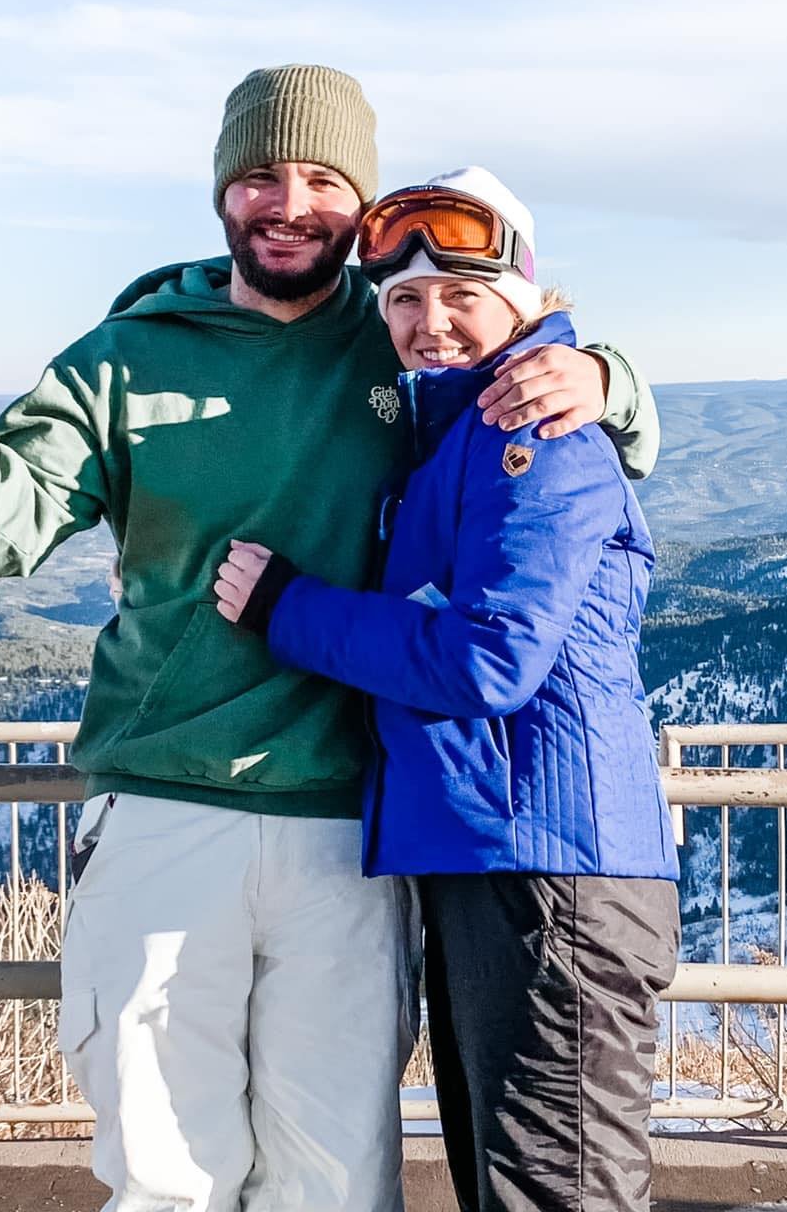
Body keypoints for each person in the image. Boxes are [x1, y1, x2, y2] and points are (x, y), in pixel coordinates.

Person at [0, 69, 660, 1212]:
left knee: (334, 1183)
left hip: (345, 825)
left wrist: (604, 374)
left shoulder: (399, 331)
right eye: (259, 177)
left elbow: (553, 433)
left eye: (324, 180)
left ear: (361, 203)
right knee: (164, 1176)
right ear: (219, 195)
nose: (289, 202)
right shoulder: (129, 354)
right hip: (164, 803)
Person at [213, 167, 678, 1212]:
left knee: (552, 1193)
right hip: (499, 862)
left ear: (524, 298)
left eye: (462, 296)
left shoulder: (534, 435)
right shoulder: (453, 440)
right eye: (406, 301)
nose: (432, 325)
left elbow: (487, 661)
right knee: (511, 1185)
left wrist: (288, 608)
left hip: (549, 872)